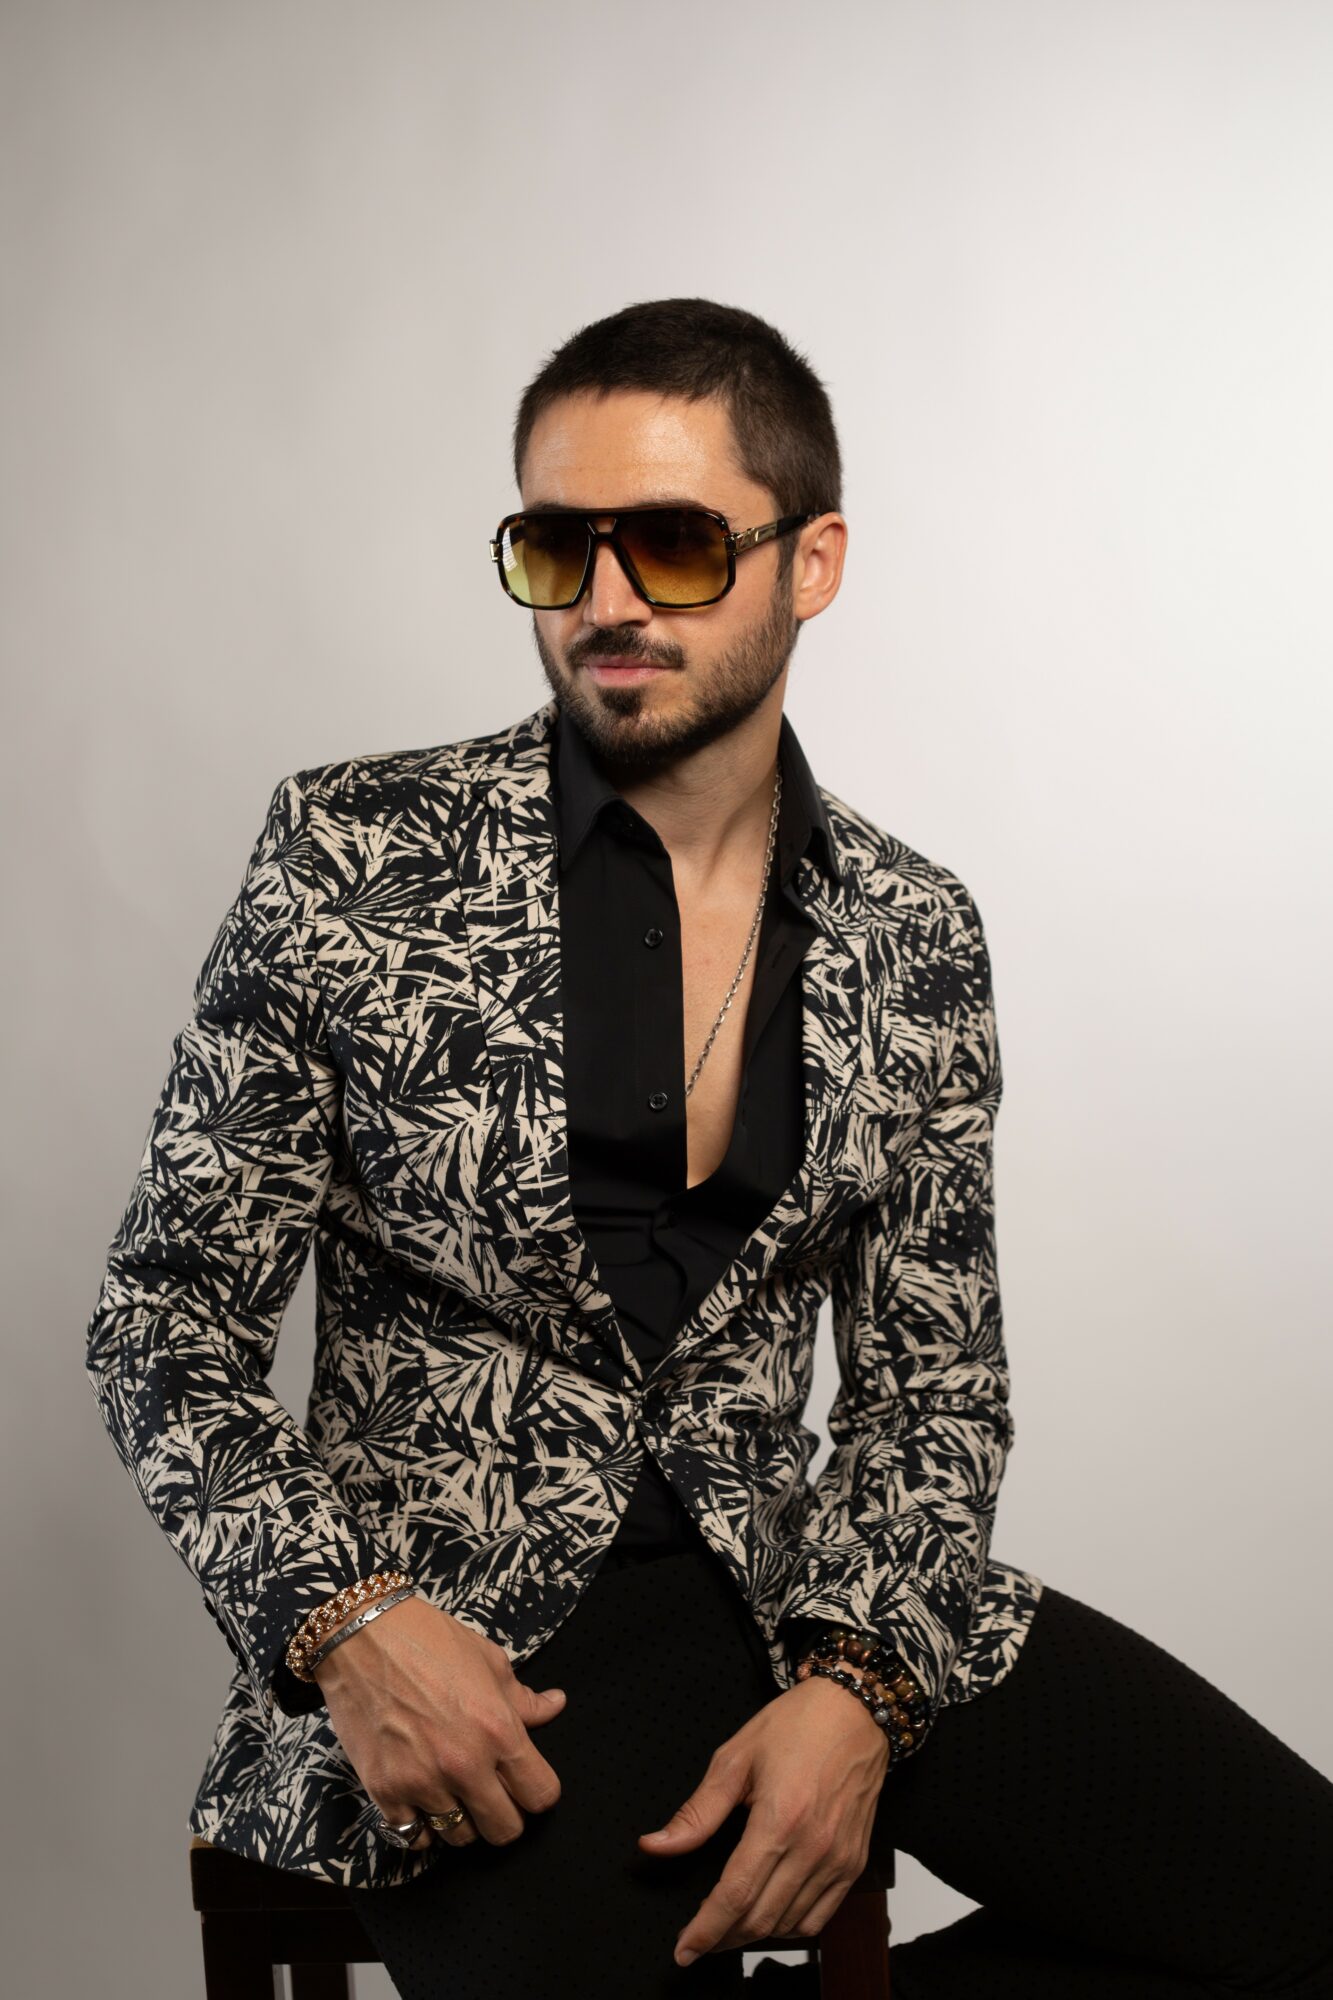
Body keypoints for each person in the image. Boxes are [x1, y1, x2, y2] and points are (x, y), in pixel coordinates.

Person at [86, 298, 1333, 1999]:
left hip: (813, 1588)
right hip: (475, 1649)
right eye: (555, 544)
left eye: (671, 545)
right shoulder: (349, 855)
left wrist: (856, 1688)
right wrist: (347, 1628)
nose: (604, 601)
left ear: (809, 560)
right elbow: (165, 1319)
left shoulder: (914, 928)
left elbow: (932, 1387)